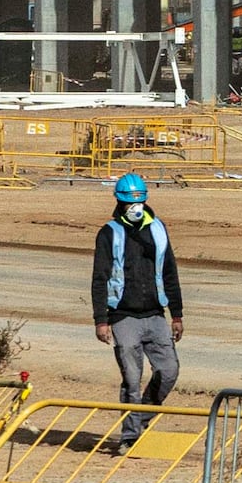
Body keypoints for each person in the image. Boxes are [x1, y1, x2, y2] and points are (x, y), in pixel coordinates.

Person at [92, 171, 183, 412]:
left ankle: (143, 415)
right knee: (132, 380)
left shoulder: (158, 229)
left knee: (169, 371)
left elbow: (169, 272)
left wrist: (176, 314)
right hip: (123, 317)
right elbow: (99, 279)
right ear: (120, 203)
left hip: (155, 315)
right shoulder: (109, 233)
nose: (136, 207)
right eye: (130, 203)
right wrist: (101, 320)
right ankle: (130, 436)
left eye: (139, 201)